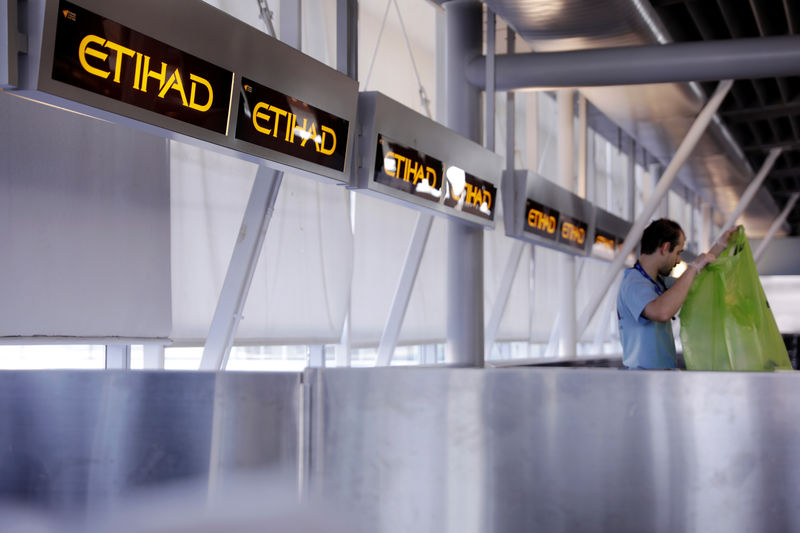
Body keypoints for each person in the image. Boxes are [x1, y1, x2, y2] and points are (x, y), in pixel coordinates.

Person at [616, 218, 735, 370]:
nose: (678, 260)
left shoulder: (659, 282)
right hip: (643, 381)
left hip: (661, 377)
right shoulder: (633, 283)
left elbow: (693, 281)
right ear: (665, 248)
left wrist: (720, 246)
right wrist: (693, 267)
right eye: (678, 252)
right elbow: (661, 311)